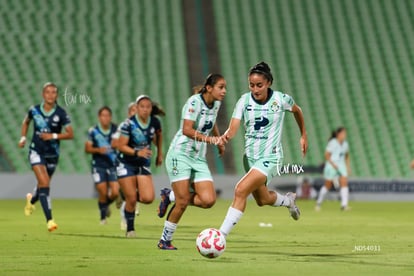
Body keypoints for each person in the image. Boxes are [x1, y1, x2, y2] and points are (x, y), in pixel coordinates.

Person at [218, 62, 308, 238]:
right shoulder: (244, 101)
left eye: (259, 85)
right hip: (250, 158)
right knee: (263, 200)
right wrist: (225, 137)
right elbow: (234, 127)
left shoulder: (281, 99)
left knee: (240, 190)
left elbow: (297, 111)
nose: (255, 89)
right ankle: (288, 201)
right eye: (251, 85)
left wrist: (303, 135)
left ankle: (220, 236)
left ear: (268, 83)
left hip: (271, 157)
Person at [157, 73, 226, 250]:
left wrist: (218, 140)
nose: (224, 91)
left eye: (225, 87)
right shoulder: (194, 102)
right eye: (221, 87)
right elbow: (186, 130)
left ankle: (169, 195)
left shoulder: (216, 104)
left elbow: (213, 122)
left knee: (208, 200)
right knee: (182, 202)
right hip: (180, 154)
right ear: (209, 88)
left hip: (198, 158)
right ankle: (165, 240)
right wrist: (210, 140)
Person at [19, 82, 74, 232]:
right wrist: (23, 138)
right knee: (45, 183)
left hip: (52, 155)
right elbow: (26, 122)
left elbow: (70, 134)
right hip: (36, 151)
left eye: (54, 92)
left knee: (43, 186)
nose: (51, 95)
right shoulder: (34, 110)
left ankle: (31, 200)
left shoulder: (61, 113)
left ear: (56, 95)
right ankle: (50, 220)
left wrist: (53, 135)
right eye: (48, 92)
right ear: (43, 94)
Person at [116, 95, 161, 237]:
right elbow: (120, 146)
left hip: (143, 163)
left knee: (148, 198)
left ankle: (127, 194)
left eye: (148, 107)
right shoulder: (128, 124)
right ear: (137, 108)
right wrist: (137, 152)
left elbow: (159, 135)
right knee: (132, 199)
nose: (145, 110)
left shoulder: (154, 122)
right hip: (126, 163)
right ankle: (130, 229)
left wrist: (160, 153)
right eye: (142, 107)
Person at [85, 106, 119, 224]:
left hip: (113, 164)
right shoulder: (93, 131)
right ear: (99, 117)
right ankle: (103, 217)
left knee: (115, 192)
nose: (105, 118)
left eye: (107, 115)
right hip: (98, 165)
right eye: (103, 115)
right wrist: (98, 150)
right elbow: (87, 148)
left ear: (110, 117)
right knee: (103, 192)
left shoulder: (116, 130)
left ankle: (104, 206)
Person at [315, 127, 351, 211]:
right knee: (328, 185)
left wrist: (348, 166)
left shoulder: (345, 144)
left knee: (344, 182)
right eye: (343, 133)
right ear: (338, 134)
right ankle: (319, 202)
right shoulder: (333, 142)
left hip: (341, 165)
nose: (344, 135)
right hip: (331, 165)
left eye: (345, 134)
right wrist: (333, 164)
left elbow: (347, 155)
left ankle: (344, 205)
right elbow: (327, 155)